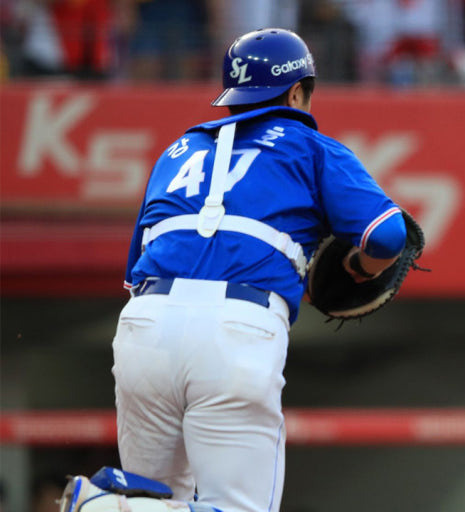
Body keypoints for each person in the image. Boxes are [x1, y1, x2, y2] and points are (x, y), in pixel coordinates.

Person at [112, 28, 407, 512]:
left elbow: (134, 274)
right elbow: (386, 237)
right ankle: (106, 507)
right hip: (237, 330)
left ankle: (121, 506)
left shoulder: (176, 151)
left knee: (157, 498)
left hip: (145, 325)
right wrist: (355, 267)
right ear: (295, 92)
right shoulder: (311, 147)